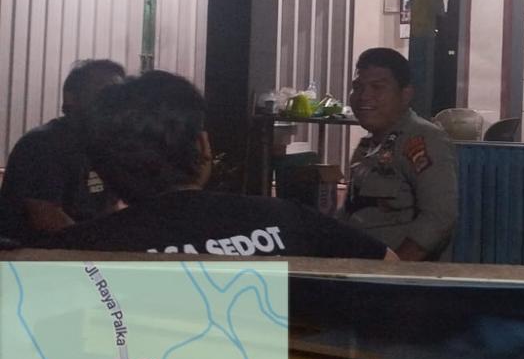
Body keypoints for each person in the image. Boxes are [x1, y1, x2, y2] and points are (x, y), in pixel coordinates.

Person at [45, 71, 393, 260]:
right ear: (202, 146)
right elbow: (393, 269)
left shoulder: (72, 250)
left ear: (104, 169)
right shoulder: (289, 220)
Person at [340, 48, 457, 260]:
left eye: (377, 87)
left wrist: (394, 268)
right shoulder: (368, 145)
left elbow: (439, 217)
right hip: (357, 267)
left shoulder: (423, 139)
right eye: (357, 87)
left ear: (405, 95)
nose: (364, 96)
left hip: (397, 276)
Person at [0, 58, 125, 242]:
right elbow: (46, 217)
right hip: (37, 254)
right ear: (70, 98)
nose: (113, 102)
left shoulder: (105, 146)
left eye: (118, 95)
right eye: (104, 92)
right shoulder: (43, 144)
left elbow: (110, 209)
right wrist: (103, 248)